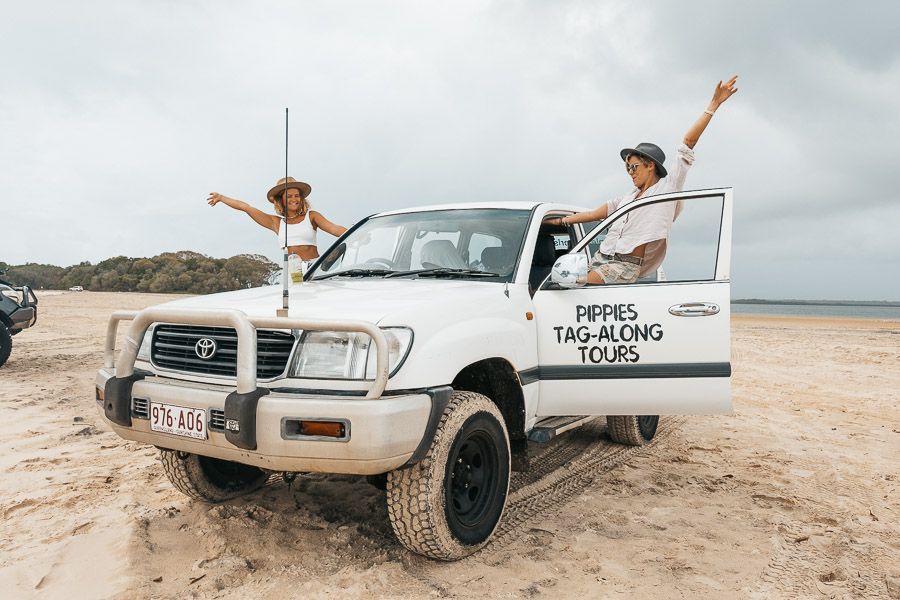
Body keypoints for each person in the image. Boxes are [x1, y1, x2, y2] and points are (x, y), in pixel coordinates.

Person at [546, 75, 738, 284]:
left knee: (570, 283)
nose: (630, 171)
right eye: (627, 167)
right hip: (599, 259)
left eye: (634, 166)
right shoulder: (627, 198)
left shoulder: (667, 188)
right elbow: (592, 214)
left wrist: (713, 105)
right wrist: (557, 221)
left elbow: (688, 143)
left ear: (650, 165)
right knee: (556, 285)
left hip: (624, 266)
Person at [207, 177, 347, 262]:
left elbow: (334, 229)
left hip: (314, 266)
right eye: (289, 196)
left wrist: (358, 233)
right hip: (291, 272)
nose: (294, 199)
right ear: (281, 200)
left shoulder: (312, 216)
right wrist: (222, 198)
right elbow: (246, 207)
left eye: (296, 195)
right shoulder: (276, 222)